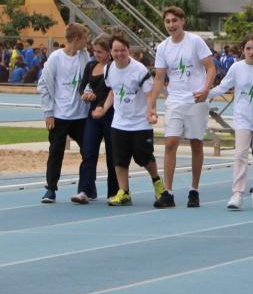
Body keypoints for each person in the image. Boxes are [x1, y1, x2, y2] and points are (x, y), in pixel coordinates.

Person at [147, 7, 215, 208]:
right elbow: (159, 78)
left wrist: (205, 89)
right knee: (170, 143)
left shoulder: (195, 42)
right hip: (175, 100)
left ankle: (194, 190)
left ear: (182, 21)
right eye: (167, 21)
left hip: (196, 99)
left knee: (196, 143)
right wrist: (151, 104)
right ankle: (168, 192)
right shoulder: (163, 47)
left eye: (174, 20)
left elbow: (211, 68)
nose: (171, 25)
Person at [208, 35, 253, 210]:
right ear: (243, 50)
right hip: (243, 118)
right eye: (248, 48)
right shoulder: (236, 68)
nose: (251, 52)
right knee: (240, 155)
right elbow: (223, 86)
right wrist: (206, 93)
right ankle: (237, 193)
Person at [93, 33, 165, 206]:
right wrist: (104, 108)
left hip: (140, 122)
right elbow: (113, 91)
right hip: (119, 122)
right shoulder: (108, 69)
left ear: (128, 50)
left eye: (123, 50)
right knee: (119, 159)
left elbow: (149, 94)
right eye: (116, 51)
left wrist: (151, 112)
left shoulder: (139, 70)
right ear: (111, 52)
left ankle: (158, 184)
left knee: (144, 157)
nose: (119, 54)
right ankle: (124, 192)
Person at [37, 23, 92, 203]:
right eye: (85, 38)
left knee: (88, 151)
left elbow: (90, 78)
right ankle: (51, 189)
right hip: (60, 115)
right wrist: (49, 112)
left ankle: (85, 188)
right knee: (55, 152)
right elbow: (44, 84)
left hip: (81, 116)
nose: (87, 42)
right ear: (76, 38)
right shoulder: (55, 58)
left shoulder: (85, 57)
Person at [80, 35, 120, 201]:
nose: (96, 54)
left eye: (100, 52)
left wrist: (103, 107)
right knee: (88, 151)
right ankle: (85, 190)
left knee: (113, 154)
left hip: (110, 114)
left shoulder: (114, 67)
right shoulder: (90, 65)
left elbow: (114, 90)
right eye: (94, 51)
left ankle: (115, 192)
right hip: (93, 114)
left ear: (109, 52)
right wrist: (86, 94)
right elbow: (83, 87)